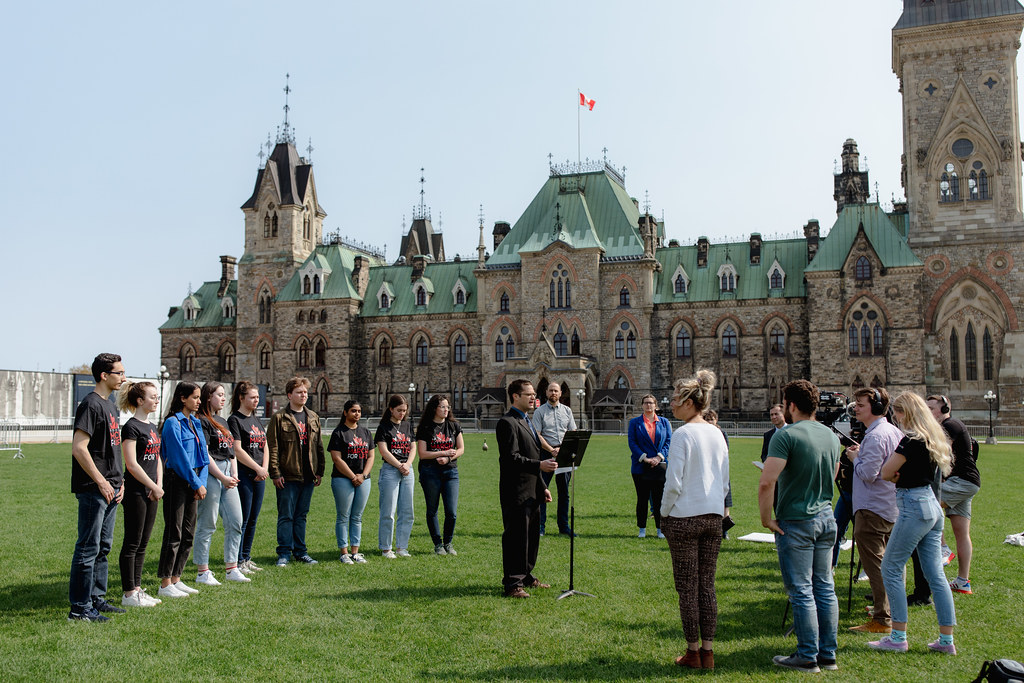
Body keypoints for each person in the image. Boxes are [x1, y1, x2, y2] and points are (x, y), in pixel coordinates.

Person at [758, 379, 841, 674]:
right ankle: (827, 654)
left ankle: (807, 655)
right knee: (825, 588)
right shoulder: (831, 436)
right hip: (826, 517)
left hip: (797, 519)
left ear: (790, 405)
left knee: (802, 590)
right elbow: (833, 474)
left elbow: (767, 481)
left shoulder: (786, 435)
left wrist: (766, 518)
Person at [868, 392, 958, 655]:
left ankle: (897, 636)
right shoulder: (932, 438)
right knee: (936, 575)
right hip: (931, 506)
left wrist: (897, 475)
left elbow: (885, 472)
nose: (894, 417)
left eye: (896, 412)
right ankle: (946, 641)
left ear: (905, 412)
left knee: (891, 568)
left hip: (913, 506)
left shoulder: (910, 441)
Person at [662, 370, 729, 670]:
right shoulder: (717, 432)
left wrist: (663, 512)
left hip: (684, 519)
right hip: (713, 517)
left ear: (690, 402)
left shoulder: (682, 434)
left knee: (687, 587)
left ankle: (692, 651)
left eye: (676, 399)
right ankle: (709, 651)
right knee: (707, 585)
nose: (672, 404)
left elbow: (673, 482)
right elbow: (725, 482)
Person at [68, 353, 128, 622]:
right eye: (119, 373)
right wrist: (102, 482)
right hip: (95, 488)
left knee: (103, 546)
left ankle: (96, 599)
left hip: (113, 487)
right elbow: (79, 448)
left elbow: (112, 450)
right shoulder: (90, 405)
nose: (123, 378)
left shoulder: (111, 406)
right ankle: (79, 609)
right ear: (104, 375)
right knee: (87, 547)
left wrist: (120, 481)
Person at [846, 387, 903, 634]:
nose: (856, 408)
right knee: (892, 564)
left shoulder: (876, 436)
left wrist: (854, 459)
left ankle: (882, 618)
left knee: (877, 566)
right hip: (890, 505)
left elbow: (868, 474)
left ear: (876, 407)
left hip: (872, 507)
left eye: (860, 404)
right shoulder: (893, 431)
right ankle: (891, 610)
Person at [497, 379, 557, 598]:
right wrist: (539, 466)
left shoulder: (528, 421)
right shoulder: (507, 422)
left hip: (532, 489)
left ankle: (526, 575)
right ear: (515, 396)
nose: (533, 398)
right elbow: (511, 458)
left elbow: (533, 454)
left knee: (531, 537)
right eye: (528, 394)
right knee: (516, 537)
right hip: (516, 490)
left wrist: (542, 486)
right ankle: (513, 583)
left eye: (534, 394)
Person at [157, 381, 209, 599]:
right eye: (195, 398)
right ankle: (165, 582)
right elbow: (178, 458)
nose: (199, 402)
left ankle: (177, 578)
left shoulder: (195, 423)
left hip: (195, 481)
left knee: (189, 533)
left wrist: (201, 482)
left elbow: (203, 456)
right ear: (182, 398)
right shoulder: (172, 423)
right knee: (174, 532)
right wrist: (197, 483)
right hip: (177, 481)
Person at [194, 382, 248, 586]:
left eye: (225, 395)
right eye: (219, 395)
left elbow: (231, 450)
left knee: (236, 521)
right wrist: (222, 477)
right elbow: (205, 455)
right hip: (211, 472)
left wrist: (232, 474)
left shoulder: (222, 420)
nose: (224, 398)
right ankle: (202, 571)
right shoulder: (202, 421)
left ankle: (231, 568)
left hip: (227, 472)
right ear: (208, 397)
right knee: (208, 523)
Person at [267, 376, 324, 566]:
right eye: (299, 392)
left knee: (301, 515)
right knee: (286, 515)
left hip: (308, 475)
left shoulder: (313, 417)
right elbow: (273, 447)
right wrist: (275, 473)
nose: (303, 395)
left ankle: (301, 551)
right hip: (288, 475)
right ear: (289, 395)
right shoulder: (279, 418)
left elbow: (319, 447)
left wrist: (320, 470)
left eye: (305, 392)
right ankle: (284, 553)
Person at [117, 380, 164, 607]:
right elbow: (131, 464)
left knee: (144, 543)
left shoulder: (152, 426)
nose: (156, 400)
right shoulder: (131, 427)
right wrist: (152, 486)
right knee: (132, 543)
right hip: (136, 491)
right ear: (139, 400)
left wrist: (158, 485)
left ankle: (137, 589)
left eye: (157, 396)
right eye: (152, 397)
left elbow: (157, 459)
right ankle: (128, 593)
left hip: (152, 491)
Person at [927, 394, 980, 595]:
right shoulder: (952, 425)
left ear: (944, 409)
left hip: (961, 482)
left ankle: (943, 549)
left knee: (926, 504)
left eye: (931, 408)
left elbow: (939, 452)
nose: (929, 412)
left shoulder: (950, 425)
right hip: (966, 482)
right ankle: (962, 581)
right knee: (961, 533)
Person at [228, 381, 269, 573]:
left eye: (258, 397)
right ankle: (237, 560)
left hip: (259, 475)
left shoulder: (256, 419)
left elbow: (264, 445)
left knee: (253, 518)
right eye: (252, 397)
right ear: (241, 398)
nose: (256, 400)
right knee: (242, 519)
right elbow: (237, 449)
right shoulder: (235, 420)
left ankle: (246, 557)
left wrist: (265, 468)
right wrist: (256, 468)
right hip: (245, 474)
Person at [416, 394, 465, 556]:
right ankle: (438, 544)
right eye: (442, 407)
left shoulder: (453, 425)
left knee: (451, 511)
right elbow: (422, 454)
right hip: (430, 472)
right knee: (432, 510)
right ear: (434, 409)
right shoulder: (425, 427)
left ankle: (448, 543)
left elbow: (461, 449)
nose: (445, 410)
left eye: (447, 407)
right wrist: (442, 453)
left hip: (450, 471)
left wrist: (449, 457)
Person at [329, 400, 375, 565]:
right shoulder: (339, 433)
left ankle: (355, 552)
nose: (357, 414)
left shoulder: (366, 432)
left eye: (359, 411)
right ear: (345, 413)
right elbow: (336, 458)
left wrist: (363, 475)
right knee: (343, 516)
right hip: (343, 479)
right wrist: (352, 476)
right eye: (353, 411)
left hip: (363, 479)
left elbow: (371, 456)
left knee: (357, 516)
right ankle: (344, 552)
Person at [531, 382, 577, 536]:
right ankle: (540, 527)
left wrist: (563, 449)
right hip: (545, 454)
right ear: (546, 392)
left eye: (556, 391)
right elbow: (537, 435)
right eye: (551, 390)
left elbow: (573, 431)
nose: (553, 393)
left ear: (561, 393)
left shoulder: (567, 411)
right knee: (542, 490)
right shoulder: (540, 412)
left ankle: (564, 527)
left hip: (563, 455)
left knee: (564, 492)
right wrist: (551, 450)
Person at [375, 394, 416, 558]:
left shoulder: (407, 425)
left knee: (407, 511)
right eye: (399, 410)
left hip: (407, 470)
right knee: (388, 511)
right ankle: (386, 548)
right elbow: (383, 451)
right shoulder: (384, 427)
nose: (402, 413)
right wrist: (399, 465)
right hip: (391, 470)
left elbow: (413, 447)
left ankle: (402, 547)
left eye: (404, 411)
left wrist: (407, 464)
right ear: (391, 409)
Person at [627, 394, 671, 539]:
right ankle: (642, 529)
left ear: (655, 405)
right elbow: (632, 443)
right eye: (646, 403)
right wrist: (645, 458)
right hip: (641, 466)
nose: (648, 405)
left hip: (659, 466)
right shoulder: (635, 423)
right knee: (642, 499)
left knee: (659, 499)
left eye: (651, 403)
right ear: (642, 405)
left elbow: (668, 442)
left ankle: (660, 529)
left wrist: (659, 457)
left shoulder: (664, 423)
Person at [831, 422, 864, 570]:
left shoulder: (871, 443)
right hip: (846, 493)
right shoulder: (847, 450)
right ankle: (831, 565)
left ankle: (866, 568)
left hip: (864, 496)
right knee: (836, 529)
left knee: (865, 534)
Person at [704, 409, 734, 537]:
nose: (710, 422)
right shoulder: (702, 434)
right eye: (707, 419)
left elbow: (725, 452)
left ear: (716, 420)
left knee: (724, 501)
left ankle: (724, 529)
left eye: (712, 419)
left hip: (720, 471)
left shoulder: (722, 433)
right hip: (706, 471)